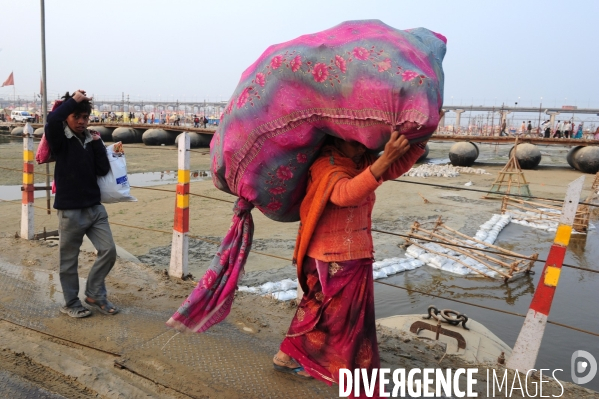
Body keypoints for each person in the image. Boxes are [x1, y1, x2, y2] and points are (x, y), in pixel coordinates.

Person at [272, 130, 426, 389]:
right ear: (336, 138)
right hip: (332, 257)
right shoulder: (326, 164)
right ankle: (343, 373)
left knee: (319, 313)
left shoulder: (360, 160)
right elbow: (344, 194)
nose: (360, 145)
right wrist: (383, 159)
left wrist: (421, 137)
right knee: (342, 321)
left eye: (363, 141)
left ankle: (288, 356)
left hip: (349, 252)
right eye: (354, 140)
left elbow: (393, 167)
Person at [45, 89, 119, 318]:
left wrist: (97, 143)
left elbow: (102, 170)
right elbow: (51, 120)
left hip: (95, 208)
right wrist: (73, 101)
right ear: (68, 116)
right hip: (70, 211)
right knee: (68, 261)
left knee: (109, 250)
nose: (81, 121)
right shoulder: (60, 140)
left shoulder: (90, 138)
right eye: (76, 116)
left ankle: (95, 293)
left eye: (85, 117)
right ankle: (70, 302)